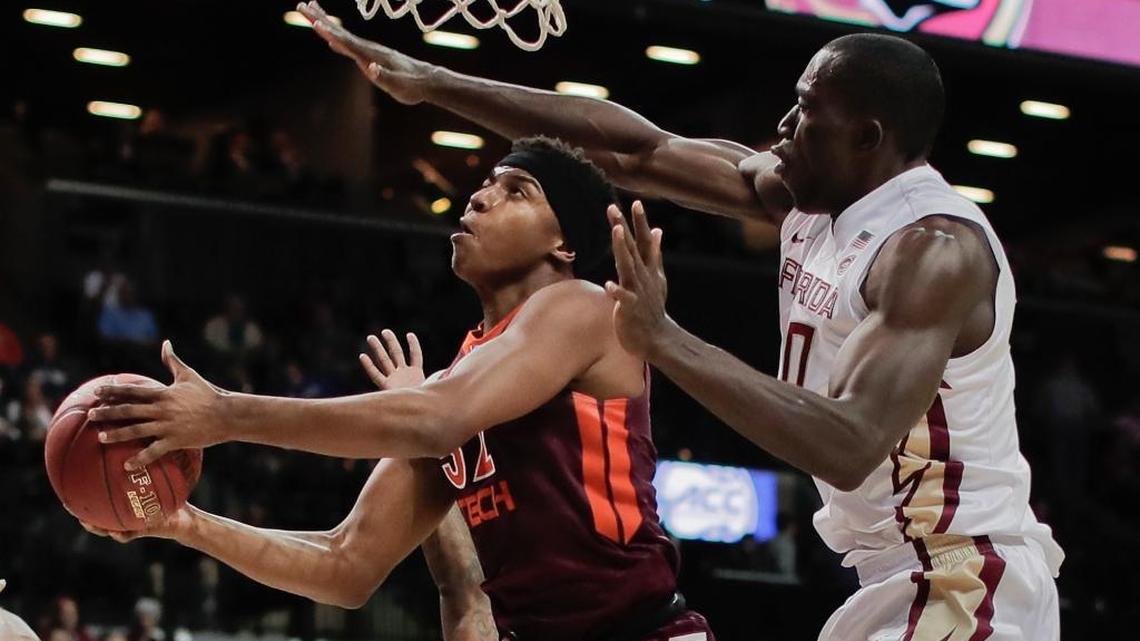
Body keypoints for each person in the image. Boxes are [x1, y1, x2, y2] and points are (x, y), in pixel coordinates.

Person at [291, 4, 1063, 639]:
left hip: (965, 572)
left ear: (869, 139)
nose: (784, 124)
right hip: (892, 573)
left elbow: (849, 442)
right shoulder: (803, 195)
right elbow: (635, 150)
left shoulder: (932, 250)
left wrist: (665, 339)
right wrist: (433, 84)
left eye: (807, 113)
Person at [86, 137, 714, 641]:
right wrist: (186, 524)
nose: (480, 198)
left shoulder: (583, 307)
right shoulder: (453, 385)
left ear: (564, 242)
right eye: (486, 184)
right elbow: (345, 565)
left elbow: (436, 418)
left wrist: (224, 414)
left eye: (516, 190)